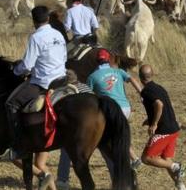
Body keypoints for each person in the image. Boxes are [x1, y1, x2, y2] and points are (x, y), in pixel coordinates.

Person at [56, 50, 143, 189]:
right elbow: (132, 78)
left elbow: (90, 97)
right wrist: (143, 93)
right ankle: (129, 165)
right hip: (125, 109)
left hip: (108, 110)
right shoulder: (118, 71)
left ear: (96, 61)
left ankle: (62, 179)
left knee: (105, 144)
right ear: (108, 60)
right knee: (116, 140)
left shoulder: (92, 76)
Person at [3, 6, 67, 160]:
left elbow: (26, 65)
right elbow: (64, 57)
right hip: (62, 78)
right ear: (48, 18)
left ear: (33, 21)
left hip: (43, 83)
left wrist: (15, 71)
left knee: (10, 104)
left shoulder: (36, 37)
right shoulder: (58, 34)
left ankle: (18, 145)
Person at [139, 65, 186, 190]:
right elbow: (164, 106)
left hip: (163, 131)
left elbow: (159, 105)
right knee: (166, 159)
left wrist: (154, 123)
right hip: (174, 128)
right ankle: (181, 186)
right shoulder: (160, 88)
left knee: (146, 158)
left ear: (140, 78)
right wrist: (149, 119)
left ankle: (177, 166)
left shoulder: (146, 91)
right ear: (152, 75)